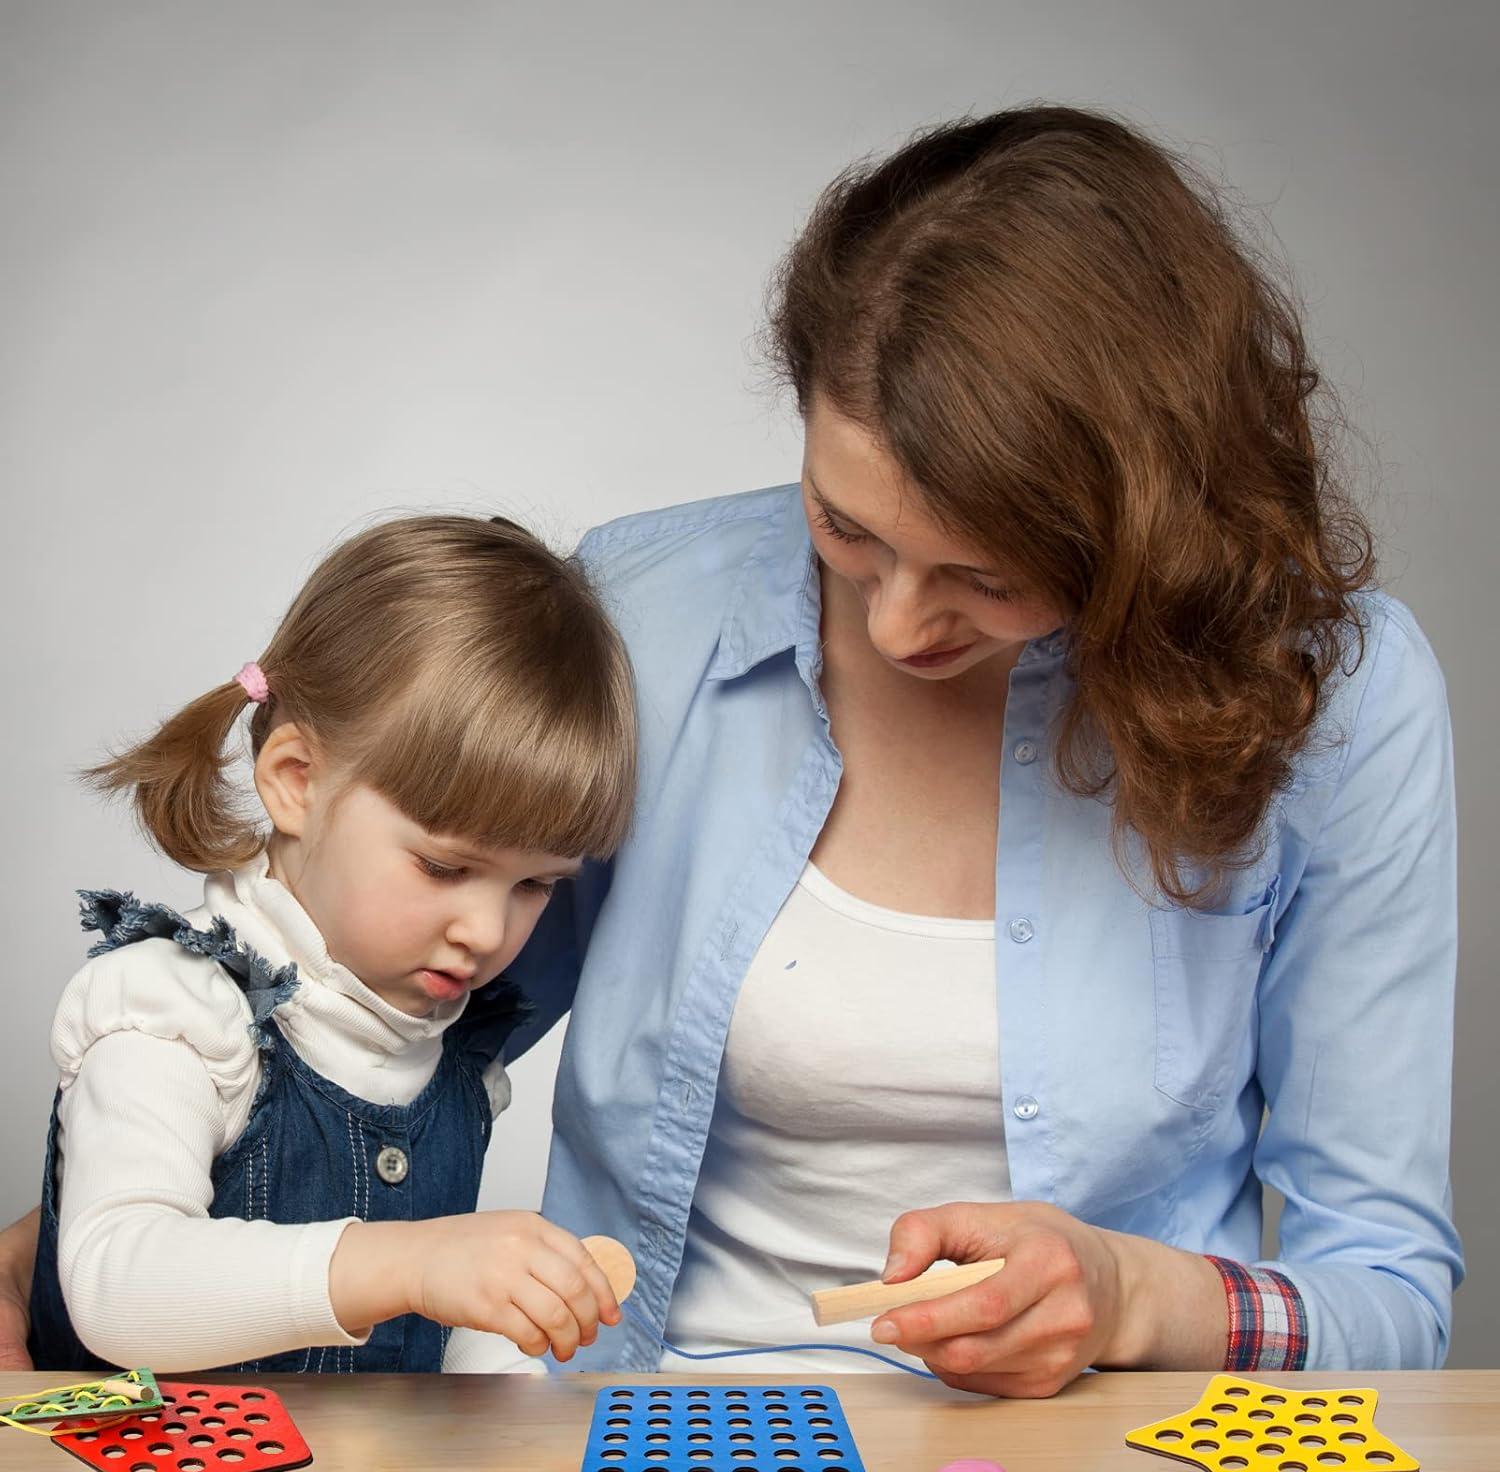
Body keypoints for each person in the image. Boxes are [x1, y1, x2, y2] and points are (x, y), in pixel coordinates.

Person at [2, 105, 1462, 1394]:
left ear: (1141, 529)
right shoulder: (648, 616)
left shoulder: (1334, 699)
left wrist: (1136, 1298)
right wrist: (110, 1229)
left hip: (1103, 1447)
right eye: (845, 529)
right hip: (652, 1422)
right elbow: (377, 1017)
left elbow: (1390, 1294)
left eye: (987, 575)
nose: (897, 624)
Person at [17, 514, 634, 1374]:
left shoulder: (453, 1059)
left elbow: (418, 1346)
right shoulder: (178, 1010)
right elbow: (119, 1285)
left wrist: (503, 1341)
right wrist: (413, 1263)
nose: (488, 932)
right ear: (296, 783)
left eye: (536, 885)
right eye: (444, 866)